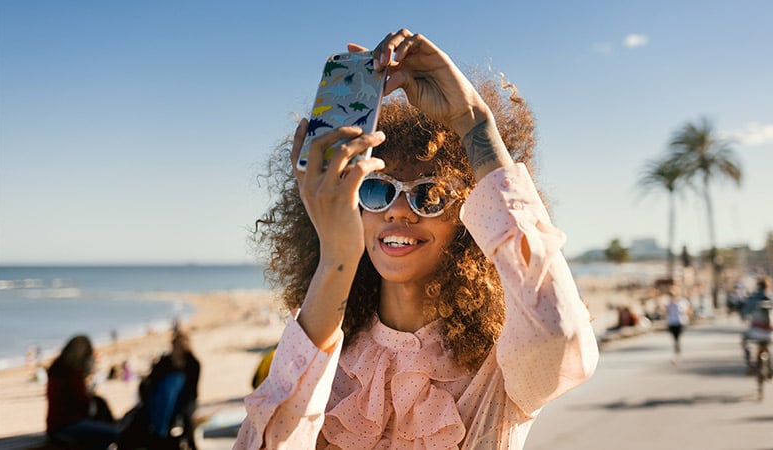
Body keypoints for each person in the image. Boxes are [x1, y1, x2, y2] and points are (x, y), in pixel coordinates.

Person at [234, 29, 598, 449]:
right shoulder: (324, 356)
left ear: (469, 217)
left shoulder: (500, 365)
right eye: (376, 189)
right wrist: (337, 255)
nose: (398, 209)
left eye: (430, 195)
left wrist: (474, 121)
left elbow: (561, 332)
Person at [119, 331, 201, 450]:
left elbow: (193, 390)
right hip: (160, 400)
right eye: (177, 346)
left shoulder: (193, 364)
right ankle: (158, 435)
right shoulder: (165, 362)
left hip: (182, 399)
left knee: (175, 383)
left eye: (181, 346)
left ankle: (162, 435)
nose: (178, 350)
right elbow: (150, 383)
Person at [46, 334, 119, 450]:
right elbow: (83, 402)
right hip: (68, 425)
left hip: (55, 425)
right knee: (116, 434)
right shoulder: (72, 374)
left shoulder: (57, 370)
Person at [740, 276, 773, 374]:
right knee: (771, 347)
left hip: (755, 331)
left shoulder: (753, 298)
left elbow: (745, 313)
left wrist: (745, 319)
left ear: (759, 286)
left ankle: (750, 364)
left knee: (744, 339)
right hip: (771, 332)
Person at [665, 287, 691, 360]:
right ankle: (677, 349)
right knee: (674, 337)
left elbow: (688, 310)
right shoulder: (669, 303)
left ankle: (677, 349)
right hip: (672, 322)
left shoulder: (682, 302)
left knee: (678, 336)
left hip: (680, 322)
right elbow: (667, 312)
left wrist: (686, 316)